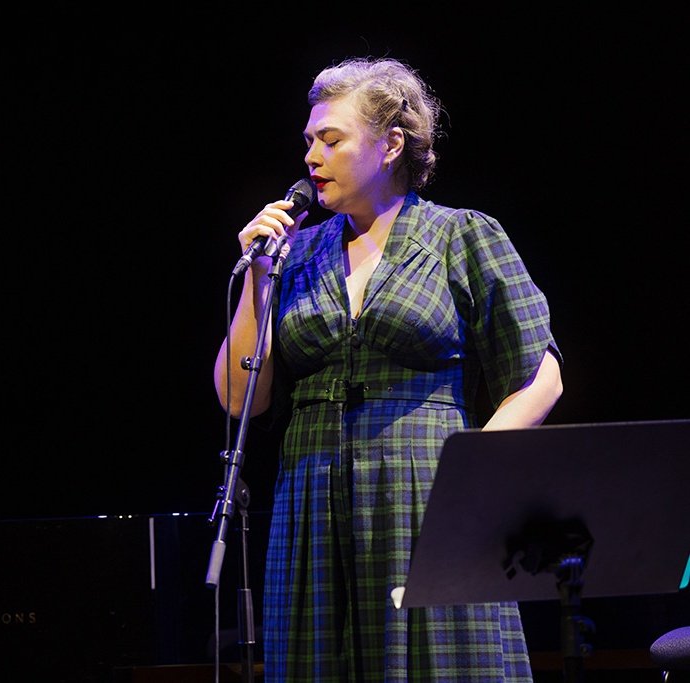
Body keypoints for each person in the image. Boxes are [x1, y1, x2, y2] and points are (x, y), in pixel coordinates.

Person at [213, 56, 563, 681]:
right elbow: (242, 401)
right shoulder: (295, 254)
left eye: (331, 138)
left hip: (425, 492)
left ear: (390, 144)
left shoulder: (461, 236)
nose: (311, 156)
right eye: (308, 141)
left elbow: (542, 376)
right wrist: (258, 281)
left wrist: (470, 476)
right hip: (311, 501)